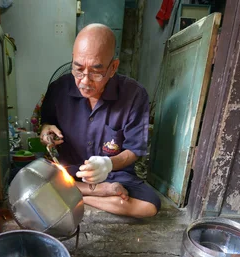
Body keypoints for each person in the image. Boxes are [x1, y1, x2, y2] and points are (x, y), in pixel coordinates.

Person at [40, 23, 160, 218]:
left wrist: (108, 164)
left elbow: (135, 150)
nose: (85, 81)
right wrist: (46, 132)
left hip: (114, 174)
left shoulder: (134, 95)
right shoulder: (58, 89)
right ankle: (100, 192)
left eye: (96, 72)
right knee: (29, 180)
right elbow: (46, 124)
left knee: (148, 206)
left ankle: (76, 194)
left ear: (113, 67)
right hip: (69, 172)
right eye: (78, 69)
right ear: (72, 61)